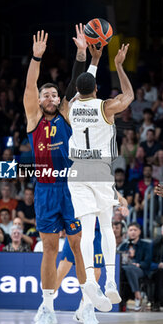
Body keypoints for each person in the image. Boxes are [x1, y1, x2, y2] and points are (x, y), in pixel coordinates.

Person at [23, 27, 109, 324]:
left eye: (53, 95)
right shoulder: (33, 119)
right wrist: (36, 57)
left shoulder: (67, 115)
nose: (49, 97)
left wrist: (82, 55)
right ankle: (46, 305)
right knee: (49, 248)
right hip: (46, 190)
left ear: (59, 100)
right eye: (46, 94)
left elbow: (75, 83)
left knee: (78, 246)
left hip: (71, 189)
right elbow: (31, 85)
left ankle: (86, 305)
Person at [67, 43, 134, 309]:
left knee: (86, 231)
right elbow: (128, 95)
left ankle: (90, 285)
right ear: (96, 89)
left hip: (76, 171)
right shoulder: (105, 107)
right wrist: (117, 65)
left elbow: (80, 85)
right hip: (99, 170)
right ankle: (109, 282)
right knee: (106, 227)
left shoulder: (70, 106)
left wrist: (93, 62)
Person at [120, 223, 152, 311]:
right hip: (125, 268)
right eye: (131, 230)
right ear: (127, 232)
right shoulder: (124, 246)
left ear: (139, 232)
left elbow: (148, 261)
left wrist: (139, 264)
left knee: (130, 268)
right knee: (125, 269)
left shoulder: (146, 245)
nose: (133, 232)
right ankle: (130, 298)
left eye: (135, 230)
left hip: (140, 269)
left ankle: (137, 295)